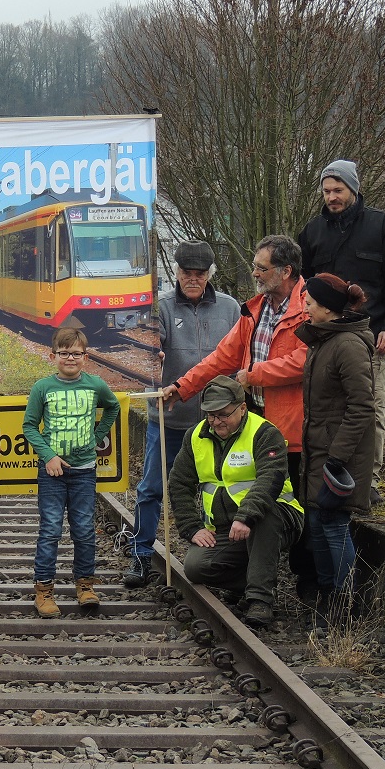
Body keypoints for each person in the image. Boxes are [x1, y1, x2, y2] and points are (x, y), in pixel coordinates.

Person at [164, 234, 318, 603]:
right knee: (254, 499)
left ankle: (307, 589)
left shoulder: (309, 306)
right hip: (256, 423)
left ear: (285, 271)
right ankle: (255, 578)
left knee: (291, 507)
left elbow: (305, 360)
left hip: (292, 429)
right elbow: (223, 357)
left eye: (261, 268)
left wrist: (255, 375)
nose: (254, 273)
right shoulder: (257, 309)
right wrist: (182, 387)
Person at [126, 240, 239, 588]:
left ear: (209, 275)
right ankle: (141, 555)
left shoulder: (231, 308)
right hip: (170, 419)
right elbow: (147, 343)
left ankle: (223, 558)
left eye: (200, 274)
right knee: (151, 488)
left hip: (217, 423)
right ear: (176, 273)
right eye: (187, 273)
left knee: (220, 488)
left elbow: (239, 354)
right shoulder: (159, 306)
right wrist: (153, 352)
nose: (193, 279)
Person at [297, 160, 385, 503]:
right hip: (323, 342)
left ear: (354, 190)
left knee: (371, 409)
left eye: (338, 190)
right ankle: (325, 477)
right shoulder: (313, 231)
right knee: (323, 412)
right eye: (326, 191)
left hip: (371, 340)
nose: (331, 197)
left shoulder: (381, 227)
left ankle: (368, 482)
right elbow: (301, 286)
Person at [167, 376, 304, 628]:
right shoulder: (195, 436)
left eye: (223, 415)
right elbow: (179, 483)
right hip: (226, 528)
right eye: (210, 415)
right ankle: (254, 580)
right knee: (196, 568)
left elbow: (270, 480)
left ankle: (260, 600)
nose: (216, 421)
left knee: (266, 515)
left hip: (277, 519)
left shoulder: (265, 433)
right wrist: (191, 527)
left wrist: (246, 516)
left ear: (242, 408)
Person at [23, 327, 120, 618]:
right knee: (51, 529)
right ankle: (44, 591)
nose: (70, 358)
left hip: (84, 471)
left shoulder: (95, 385)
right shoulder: (43, 387)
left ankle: (85, 586)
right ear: (53, 356)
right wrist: (49, 455)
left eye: (76, 353)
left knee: (84, 530)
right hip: (52, 473)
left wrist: (96, 435)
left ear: (85, 357)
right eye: (64, 353)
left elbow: (113, 408)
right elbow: (29, 426)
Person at [297, 273, 375, 612]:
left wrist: (337, 458)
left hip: (337, 456)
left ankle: (345, 604)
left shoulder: (348, 345)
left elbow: (362, 407)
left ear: (328, 309)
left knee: (332, 525)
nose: (305, 310)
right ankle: (328, 599)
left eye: (310, 304)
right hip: (320, 451)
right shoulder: (325, 340)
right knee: (317, 523)